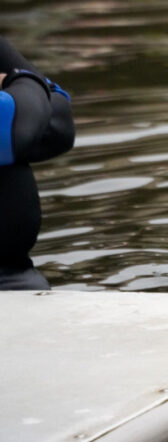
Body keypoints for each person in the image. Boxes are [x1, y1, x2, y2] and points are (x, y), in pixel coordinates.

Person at [0, 36, 75, 290]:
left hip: (16, 279)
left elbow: (61, 125)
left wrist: (21, 96)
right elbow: (13, 128)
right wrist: (21, 83)